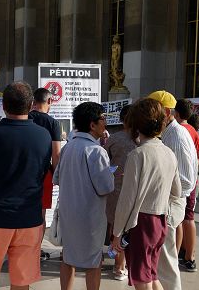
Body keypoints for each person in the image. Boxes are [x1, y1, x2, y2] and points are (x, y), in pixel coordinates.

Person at [0, 81, 52, 290]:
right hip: (29, 217)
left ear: (3, 106)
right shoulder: (43, 135)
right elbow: (43, 171)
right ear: (31, 104)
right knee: (21, 280)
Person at [110, 98, 181, 289]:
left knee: (142, 279)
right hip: (160, 219)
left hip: (141, 222)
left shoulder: (137, 155)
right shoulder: (169, 153)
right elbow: (177, 191)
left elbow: (127, 200)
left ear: (135, 125)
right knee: (151, 273)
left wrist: (117, 233)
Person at [53, 102, 114, 290]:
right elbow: (106, 187)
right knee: (94, 261)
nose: (105, 122)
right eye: (102, 118)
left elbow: (57, 178)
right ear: (92, 125)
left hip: (68, 212)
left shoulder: (67, 148)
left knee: (68, 257)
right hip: (90, 217)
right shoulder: (96, 151)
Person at [147, 90, 197, 290]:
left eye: (153, 110)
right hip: (166, 203)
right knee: (163, 260)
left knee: (167, 263)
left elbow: (186, 181)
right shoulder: (169, 132)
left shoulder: (175, 135)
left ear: (167, 112)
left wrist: (162, 196)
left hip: (168, 205)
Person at [103, 104, 138, 281]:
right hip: (134, 191)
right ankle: (121, 265)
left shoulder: (113, 139)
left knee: (116, 229)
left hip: (114, 190)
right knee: (128, 229)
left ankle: (118, 264)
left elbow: (105, 163)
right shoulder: (141, 140)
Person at [28, 87, 62, 261]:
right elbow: (56, 154)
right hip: (43, 174)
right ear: (49, 101)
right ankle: (35, 250)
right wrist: (57, 176)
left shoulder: (24, 117)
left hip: (22, 172)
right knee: (39, 214)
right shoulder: (53, 123)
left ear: (33, 101)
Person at [174, 99, 199, 272]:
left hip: (183, 182)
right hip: (189, 182)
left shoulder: (179, 131)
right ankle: (187, 256)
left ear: (176, 114)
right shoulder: (193, 131)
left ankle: (187, 256)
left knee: (183, 218)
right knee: (187, 217)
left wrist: (188, 164)